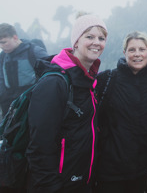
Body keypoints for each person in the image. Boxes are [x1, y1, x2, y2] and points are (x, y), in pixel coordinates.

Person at [26, 13, 108, 192]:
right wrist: (50, 187)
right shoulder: (55, 82)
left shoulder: (89, 80)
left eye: (101, 38)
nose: (97, 42)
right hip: (60, 185)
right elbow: (39, 146)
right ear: (76, 42)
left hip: (82, 180)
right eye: (90, 36)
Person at [94, 31, 147, 193]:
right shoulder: (107, 79)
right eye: (132, 50)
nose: (137, 54)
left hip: (140, 168)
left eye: (142, 49)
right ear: (124, 52)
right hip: (109, 170)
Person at [0, 23, 48, 117]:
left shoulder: (34, 51)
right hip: (10, 103)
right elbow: (0, 77)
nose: (1, 46)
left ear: (15, 37)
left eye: (3, 42)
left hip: (32, 101)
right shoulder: (3, 56)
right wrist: (1, 98)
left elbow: (51, 73)